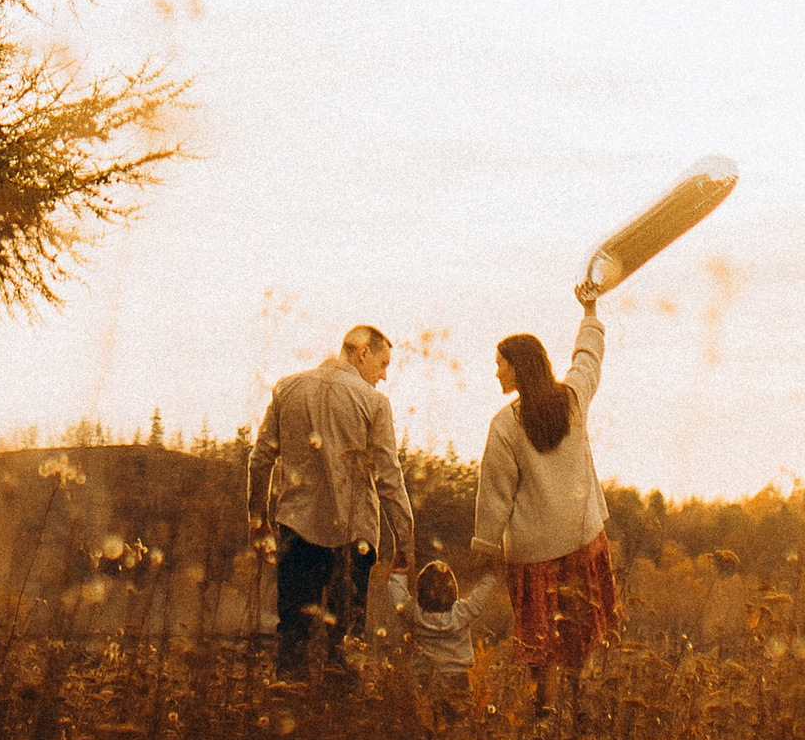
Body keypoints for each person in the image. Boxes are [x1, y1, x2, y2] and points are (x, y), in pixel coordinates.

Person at [472, 298, 620, 712]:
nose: (497, 371)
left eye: (501, 364)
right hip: (582, 539)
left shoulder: (505, 424)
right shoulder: (572, 399)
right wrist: (590, 312)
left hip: (534, 554)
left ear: (519, 367)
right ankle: (583, 717)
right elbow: (588, 357)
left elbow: (496, 491)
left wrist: (484, 544)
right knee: (583, 638)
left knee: (544, 650)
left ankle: (545, 724)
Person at [248, 322, 415, 673]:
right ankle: (338, 718)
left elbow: (261, 457)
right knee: (344, 644)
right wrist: (405, 540)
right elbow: (389, 477)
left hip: (296, 528)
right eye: (382, 364)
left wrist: (258, 519)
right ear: (362, 352)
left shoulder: (287, 389)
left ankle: (289, 701)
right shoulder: (374, 403)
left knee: (292, 637)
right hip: (354, 538)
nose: (384, 376)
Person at [388, 554, 497, 707]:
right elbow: (480, 597)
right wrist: (488, 574)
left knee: (427, 717)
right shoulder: (461, 614)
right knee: (458, 718)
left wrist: (398, 573)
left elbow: (399, 599)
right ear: (453, 590)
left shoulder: (414, 613)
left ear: (420, 591)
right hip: (459, 678)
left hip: (424, 677)